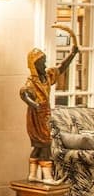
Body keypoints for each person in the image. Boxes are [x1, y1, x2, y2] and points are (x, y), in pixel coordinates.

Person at [20, 25, 78, 183]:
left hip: (44, 114)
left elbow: (61, 67)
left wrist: (72, 54)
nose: (45, 65)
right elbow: (24, 93)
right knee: (45, 144)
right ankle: (47, 177)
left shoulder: (47, 76)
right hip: (36, 116)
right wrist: (34, 104)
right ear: (34, 64)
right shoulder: (32, 82)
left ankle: (33, 175)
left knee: (38, 146)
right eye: (42, 63)